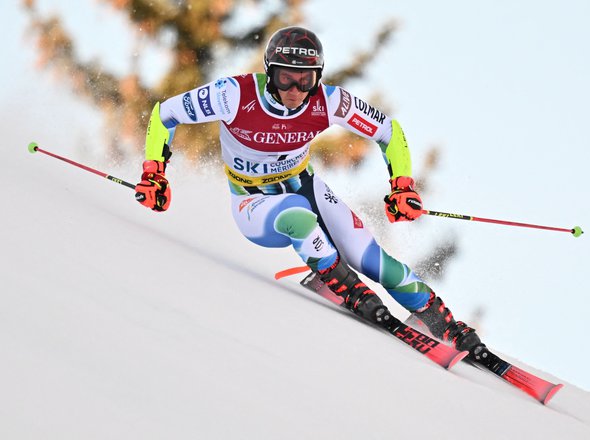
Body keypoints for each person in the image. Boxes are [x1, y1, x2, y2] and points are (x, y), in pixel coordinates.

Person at [134, 26, 488, 361]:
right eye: (285, 77)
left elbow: (389, 133)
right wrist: (154, 172)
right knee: (296, 216)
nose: (294, 90)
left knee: (368, 256)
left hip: (306, 185)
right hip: (252, 203)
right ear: (269, 72)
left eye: (305, 80)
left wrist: (402, 185)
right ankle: (348, 288)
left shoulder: (328, 101)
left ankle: (439, 319)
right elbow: (164, 114)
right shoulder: (233, 94)